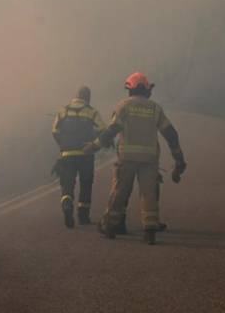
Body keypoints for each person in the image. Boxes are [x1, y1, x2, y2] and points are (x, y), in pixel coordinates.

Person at [83, 72, 186, 244]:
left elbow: (111, 131)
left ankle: (110, 226)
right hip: (149, 159)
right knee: (149, 195)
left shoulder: (124, 106)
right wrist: (179, 159)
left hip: (127, 159)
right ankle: (150, 231)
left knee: (120, 193)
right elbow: (171, 134)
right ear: (146, 89)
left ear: (129, 89)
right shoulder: (155, 108)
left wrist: (93, 147)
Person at [52, 86, 106, 227]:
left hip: (67, 154)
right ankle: (83, 215)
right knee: (86, 183)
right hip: (86, 154)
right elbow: (104, 131)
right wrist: (94, 143)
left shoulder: (62, 111)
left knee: (67, 183)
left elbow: (55, 132)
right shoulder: (92, 112)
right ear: (87, 97)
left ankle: (66, 202)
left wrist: (63, 145)